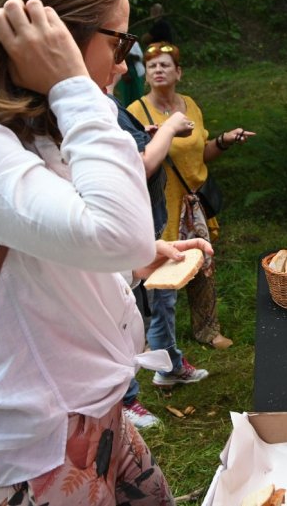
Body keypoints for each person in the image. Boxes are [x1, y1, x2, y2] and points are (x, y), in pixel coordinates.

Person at [0, 0, 213, 504]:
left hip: (95, 419)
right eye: (119, 42)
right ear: (54, 37)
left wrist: (137, 263)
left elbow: (57, 263)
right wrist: (74, 85)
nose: (126, 64)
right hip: (20, 454)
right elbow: (112, 231)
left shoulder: (41, 127)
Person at [127, 42, 253, 361]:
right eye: (152, 65)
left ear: (178, 72)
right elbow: (135, 163)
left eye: (165, 65)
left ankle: (208, 330)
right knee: (157, 272)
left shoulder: (190, 106)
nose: (158, 69)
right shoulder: (135, 112)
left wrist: (223, 141)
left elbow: (200, 153)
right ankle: (149, 340)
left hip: (191, 203)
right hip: (159, 203)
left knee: (201, 264)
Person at [111, 78, 195, 428]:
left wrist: (147, 133)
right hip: (126, 231)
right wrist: (171, 126)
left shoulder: (108, 103)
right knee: (123, 311)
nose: (121, 63)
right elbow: (141, 163)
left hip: (145, 223)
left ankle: (168, 365)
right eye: (114, 46)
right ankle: (124, 399)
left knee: (160, 299)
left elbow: (129, 151)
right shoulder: (94, 102)